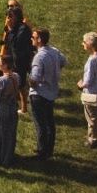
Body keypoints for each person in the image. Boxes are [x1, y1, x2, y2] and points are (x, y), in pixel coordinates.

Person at [28, 27, 66, 159]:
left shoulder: (39, 57)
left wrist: (30, 82)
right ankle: (49, 149)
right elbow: (63, 61)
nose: (31, 39)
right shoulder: (54, 51)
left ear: (39, 40)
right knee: (50, 122)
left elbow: (35, 78)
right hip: (51, 92)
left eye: (33, 37)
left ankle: (42, 152)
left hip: (39, 94)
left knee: (40, 124)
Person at [4, 5, 35, 114]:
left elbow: (16, 44)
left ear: (17, 17)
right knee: (18, 84)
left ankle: (24, 108)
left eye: (10, 16)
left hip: (22, 60)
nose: (8, 19)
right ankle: (21, 106)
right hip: (15, 59)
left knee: (21, 85)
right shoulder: (16, 27)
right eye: (7, 16)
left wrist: (10, 29)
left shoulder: (23, 29)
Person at [78, 31, 97, 148]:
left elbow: (87, 81)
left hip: (91, 93)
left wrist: (80, 84)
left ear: (90, 44)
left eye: (84, 42)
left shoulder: (92, 60)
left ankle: (93, 140)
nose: (83, 44)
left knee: (92, 118)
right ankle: (96, 137)